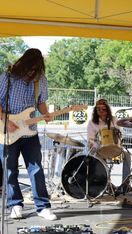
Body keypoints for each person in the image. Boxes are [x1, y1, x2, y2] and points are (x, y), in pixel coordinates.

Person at [0, 48, 57, 220]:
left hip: (30, 132)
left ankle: (43, 206)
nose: (31, 74)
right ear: (22, 65)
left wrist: (46, 114)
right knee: (9, 170)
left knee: (36, 169)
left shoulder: (41, 80)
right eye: (29, 69)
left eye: (35, 70)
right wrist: (5, 119)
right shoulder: (6, 78)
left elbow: (41, 103)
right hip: (6, 130)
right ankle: (15, 204)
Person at [87, 99, 131, 193]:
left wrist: (117, 140)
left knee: (127, 156)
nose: (101, 111)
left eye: (104, 109)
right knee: (94, 156)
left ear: (107, 109)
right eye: (99, 109)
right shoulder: (92, 123)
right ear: (96, 110)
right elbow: (90, 140)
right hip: (99, 149)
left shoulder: (114, 120)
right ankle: (104, 183)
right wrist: (95, 146)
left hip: (115, 148)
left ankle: (125, 185)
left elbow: (120, 135)